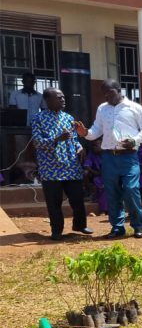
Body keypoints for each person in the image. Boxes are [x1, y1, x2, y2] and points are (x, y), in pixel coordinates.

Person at [74, 79, 142, 239]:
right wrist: (85, 133)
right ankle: (117, 227)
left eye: (110, 92)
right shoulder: (102, 109)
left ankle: (138, 225)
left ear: (119, 90)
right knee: (112, 192)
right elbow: (96, 130)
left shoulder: (134, 108)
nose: (107, 96)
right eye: (105, 94)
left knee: (131, 189)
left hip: (129, 156)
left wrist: (135, 140)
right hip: (109, 156)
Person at [32, 88, 92, 240]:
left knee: (77, 198)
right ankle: (56, 231)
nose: (63, 99)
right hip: (51, 168)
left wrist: (79, 148)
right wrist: (57, 139)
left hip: (71, 166)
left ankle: (80, 225)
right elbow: (37, 142)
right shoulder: (38, 118)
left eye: (63, 97)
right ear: (48, 100)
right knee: (54, 201)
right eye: (59, 97)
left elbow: (74, 139)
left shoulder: (68, 117)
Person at [84, 141, 107, 215]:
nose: (94, 147)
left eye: (96, 146)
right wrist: (93, 172)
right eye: (93, 146)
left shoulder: (107, 154)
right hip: (97, 176)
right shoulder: (92, 154)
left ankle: (105, 209)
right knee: (86, 174)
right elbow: (87, 165)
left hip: (108, 176)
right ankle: (91, 193)